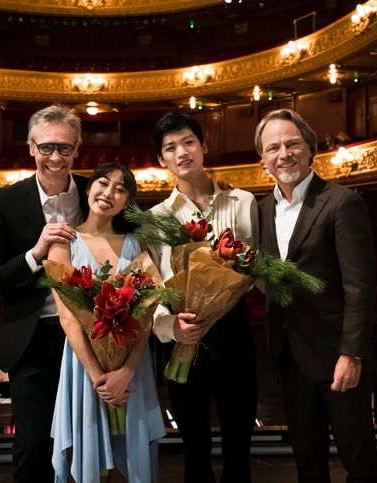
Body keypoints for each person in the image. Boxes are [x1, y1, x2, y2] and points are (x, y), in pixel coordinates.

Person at [255, 108, 377, 483]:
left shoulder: (342, 202)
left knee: (358, 458)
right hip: (290, 356)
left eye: (293, 144)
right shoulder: (260, 210)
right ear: (262, 159)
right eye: (273, 147)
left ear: (311, 149)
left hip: (338, 356)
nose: (284, 154)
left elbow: (359, 286)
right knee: (307, 461)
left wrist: (352, 353)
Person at [0, 104, 88, 483]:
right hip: (33, 338)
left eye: (64, 148)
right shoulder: (5, 200)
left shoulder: (99, 194)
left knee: (90, 443)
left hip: (95, 335)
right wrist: (34, 254)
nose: (55, 157)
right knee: (33, 446)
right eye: (46, 148)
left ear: (77, 149)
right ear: (30, 148)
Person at [149, 111, 258, 483]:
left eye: (189, 142)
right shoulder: (155, 218)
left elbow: (255, 266)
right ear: (162, 160)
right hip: (185, 334)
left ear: (204, 146)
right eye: (170, 148)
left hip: (233, 332)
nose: (181, 152)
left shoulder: (243, 201)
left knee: (239, 443)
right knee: (194, 449)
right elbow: (154, 287)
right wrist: (171, 328)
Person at [49, 162, 166, 483]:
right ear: (89, 188)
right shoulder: (64, 242)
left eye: (120, 189)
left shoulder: (136, 243)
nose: (108, 193)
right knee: (88, 463)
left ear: (127, 201)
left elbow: (146, 316)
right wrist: (99, 377)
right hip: (84, 366)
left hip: (133, 367)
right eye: (103, 183)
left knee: (130, 460)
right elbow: (68, 317)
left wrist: (126, 370)